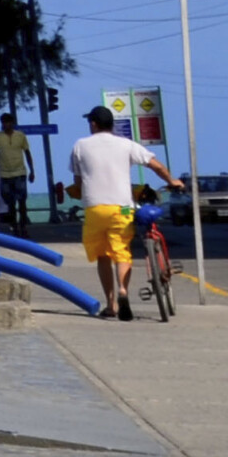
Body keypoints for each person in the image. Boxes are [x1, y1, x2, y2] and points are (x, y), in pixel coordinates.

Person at [68, 103, 174, 322]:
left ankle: (111, 305)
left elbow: (78, 182)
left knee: (102, 256)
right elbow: (156, 166)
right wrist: (172, 181)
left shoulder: (80, 146)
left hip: (94, 208)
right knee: (122, 252)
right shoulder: (126, 145)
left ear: (93, 124)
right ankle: (123, 290)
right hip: (122, 207)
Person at [0, 114, 34, 235]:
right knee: (10, 204)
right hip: (5, 174)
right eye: (4, 122)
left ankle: (23, 226)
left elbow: (27, 152)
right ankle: (14, 227)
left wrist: (32, 171)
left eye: (8, 122)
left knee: (22, 202)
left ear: (12, 123)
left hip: (20, 173)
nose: (6, 125)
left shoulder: (20, 136)